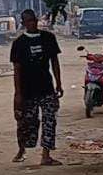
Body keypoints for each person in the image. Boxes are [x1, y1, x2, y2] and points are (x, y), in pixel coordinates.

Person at [10, 9, 63, 166]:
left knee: (49, 120)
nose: (32, 23)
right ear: (23, 23)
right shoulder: (19, 43)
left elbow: (54, 62)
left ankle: (46, 155)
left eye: (33, 20)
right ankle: (22, 149)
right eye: (28, 21)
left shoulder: (48, 38)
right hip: (28, 90)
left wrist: (59, 83)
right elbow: (17, 70)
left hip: (46, 87)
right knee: (27, 122)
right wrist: (18, 93)